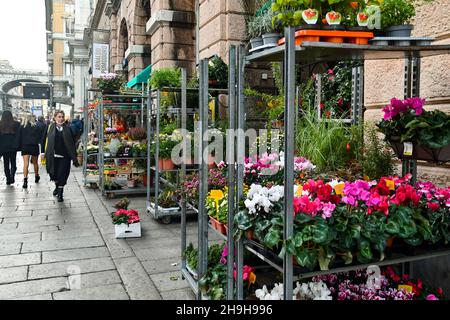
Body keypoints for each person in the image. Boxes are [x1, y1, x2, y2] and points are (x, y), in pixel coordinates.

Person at [41, 110, 79, 202]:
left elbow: (73, 142)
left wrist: (74, 155)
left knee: (63, 174)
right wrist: (42, 152)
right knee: (54, 174)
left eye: (62, 116)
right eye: (59, 116)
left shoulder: (68, 128)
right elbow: (43, 140)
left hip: (65, 156)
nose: (61, 118)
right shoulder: (49, 127)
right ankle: (57, 186)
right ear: (55, 117)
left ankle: (60, 193)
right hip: (52, 156)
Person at [20, 114, 42, 188]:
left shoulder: (22, 127)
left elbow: (19, 137)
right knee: (35, 163)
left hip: (25, 146)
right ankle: (36, 176)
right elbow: (40, 137)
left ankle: (25, 180)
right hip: (34, 146)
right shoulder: (36, 127)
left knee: (25, 163)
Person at [0, 111, 21, 185]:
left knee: (6, 163)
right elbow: (18, 136)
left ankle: (8, 179)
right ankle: (12, 176)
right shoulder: (16, 124)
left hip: (3, 147)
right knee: (13, 162)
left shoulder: (0, 124)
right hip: (13, 147)